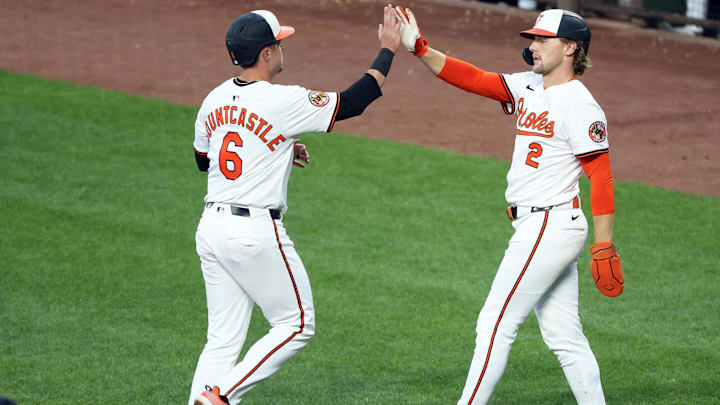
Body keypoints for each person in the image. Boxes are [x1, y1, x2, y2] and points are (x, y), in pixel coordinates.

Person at [394, 7, 624, 405]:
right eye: (531, 39)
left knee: (495, 323)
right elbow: (473, 78)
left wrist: (603, 245)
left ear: (570, 47)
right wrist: (420, 49)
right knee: (564, 336)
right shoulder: (527, 86)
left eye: (541, 40)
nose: (532, 46)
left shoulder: (581, 106)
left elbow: (600, 177)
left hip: (550, 226)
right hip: (540, 226)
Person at [189, 7, 401, 405]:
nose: (284, 48)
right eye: (280, 43)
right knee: (297, 324)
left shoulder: (213, 98)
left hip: (211, 228)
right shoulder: (282, 100)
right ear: (266, 53)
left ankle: (206, 399)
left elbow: (206, 160)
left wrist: (276, 148)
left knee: (221, 339)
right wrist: (388, 50)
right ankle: (222, 396)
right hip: (252, 233)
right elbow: (354, 102)